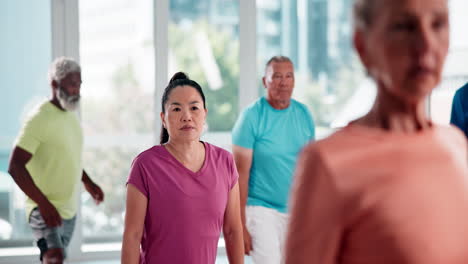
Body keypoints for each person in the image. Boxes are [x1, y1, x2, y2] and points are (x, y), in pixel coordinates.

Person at [285, 0, 468, 263]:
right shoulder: (328, 164)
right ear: (362, 46)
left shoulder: (456, 144)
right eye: (404, 27)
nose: (426, 45)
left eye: (438, 24)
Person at [121, 72, 244, 264]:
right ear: (163, 118)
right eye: (176, 109)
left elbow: (233, 230)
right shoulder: (145, 165)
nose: (187, 116)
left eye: (194, 108)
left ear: (205, 113)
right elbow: (132, 236)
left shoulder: (225, 162)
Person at [8, 57, 104, 264]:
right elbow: (15, 166)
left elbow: (69, 157)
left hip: (68, 211)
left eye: (79, 84)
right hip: (44, 209)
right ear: (54, 84)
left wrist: (88, 181)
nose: (77, 90)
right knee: (54, 257)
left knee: (55, 259)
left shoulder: (71, 117)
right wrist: (43, 204)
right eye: (72, 84)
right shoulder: (39, 119)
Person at [232, 56, 315, 263]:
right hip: (260, 208)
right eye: (277, 76)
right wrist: (240, 226)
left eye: (289, 76)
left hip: (295, 211)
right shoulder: (251, 117)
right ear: (265, 81)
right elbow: (238, 176)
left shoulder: (304, 114)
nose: (284, 82)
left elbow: (310, 172)